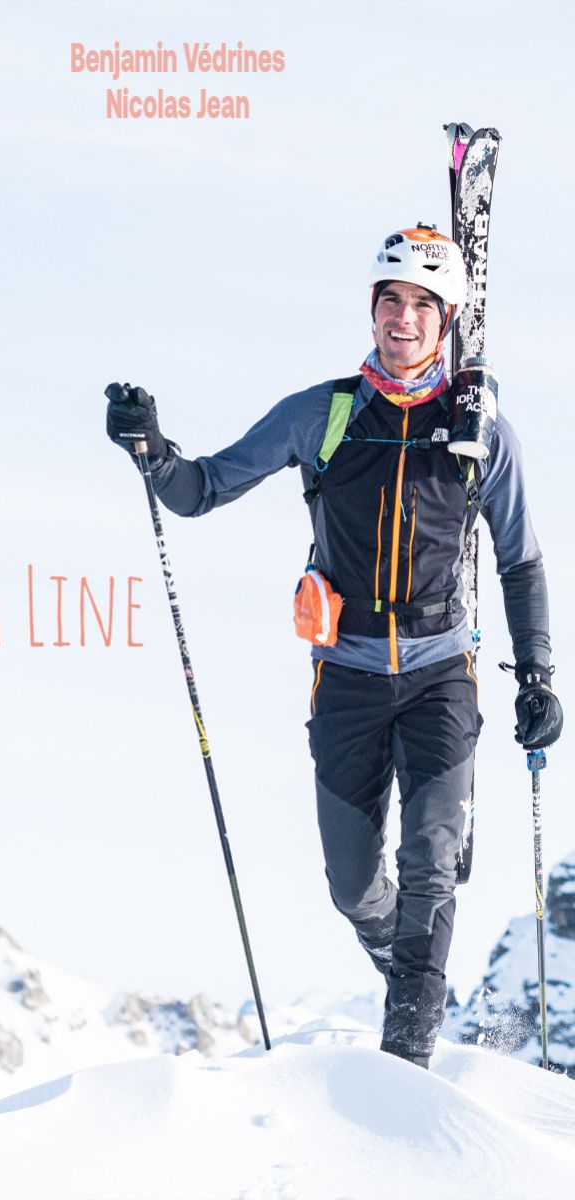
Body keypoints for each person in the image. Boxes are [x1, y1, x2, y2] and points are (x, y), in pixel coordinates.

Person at [105, 225, 563, 1068]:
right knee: (353, 888)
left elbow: (521, 559)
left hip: (440, 674)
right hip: (345, 676)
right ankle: (407, 967)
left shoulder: (483, 436)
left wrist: (537, 673)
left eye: (421, 304)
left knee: (429, 864)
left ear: (446, 321)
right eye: (390, 300)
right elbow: (201, 489)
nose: (402, 318)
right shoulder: (323, 414)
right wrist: (152, 452)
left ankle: (407, 1066)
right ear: (372, 308)